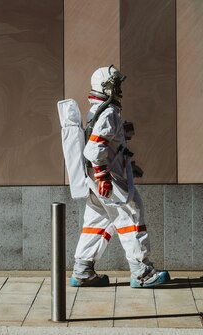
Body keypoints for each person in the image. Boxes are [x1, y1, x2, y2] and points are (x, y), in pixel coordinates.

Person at [70, 65, 170, 288]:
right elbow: (93, 150)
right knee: (131, 215)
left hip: (97, 181)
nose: (119, 89)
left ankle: (83, 270)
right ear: (107, 87)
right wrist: (104, 176)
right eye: (116, 85)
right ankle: (142, 272)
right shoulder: (109, 113)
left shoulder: (97, 111)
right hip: (110, 181)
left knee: (98, 221)